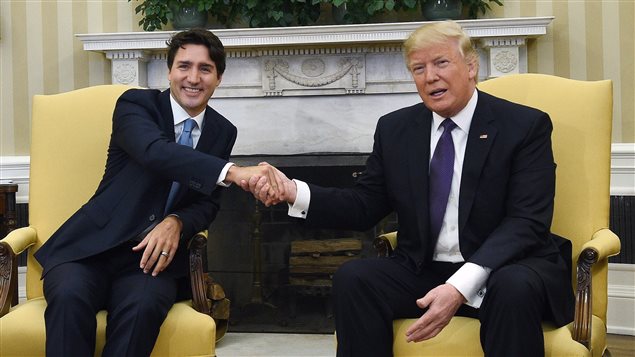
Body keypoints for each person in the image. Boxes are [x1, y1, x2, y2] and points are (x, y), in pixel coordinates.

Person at [244, 21, 574, 357]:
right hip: (424, 267)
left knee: (513, 287)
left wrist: (458, 287)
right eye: (419, 68)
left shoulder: (524, 125)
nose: (430, 76)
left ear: (471, 67)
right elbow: (364, 204)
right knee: (355, 278)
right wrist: (292, 192)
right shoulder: (396, 129)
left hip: (502, 266)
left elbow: (526, 221)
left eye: (441, 63)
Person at [34, 28, 279, 357]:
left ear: (219, 78)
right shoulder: (136, 105)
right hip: (89, 250)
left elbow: (207, 203)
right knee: (69, 299)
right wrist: (233, 171)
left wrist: (177, 221)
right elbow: (155, 152)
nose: (193, 78)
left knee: (142, 310)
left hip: (152, 262)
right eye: (184, 66)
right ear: (169, 71)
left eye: (205, 69)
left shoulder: (222, 131)